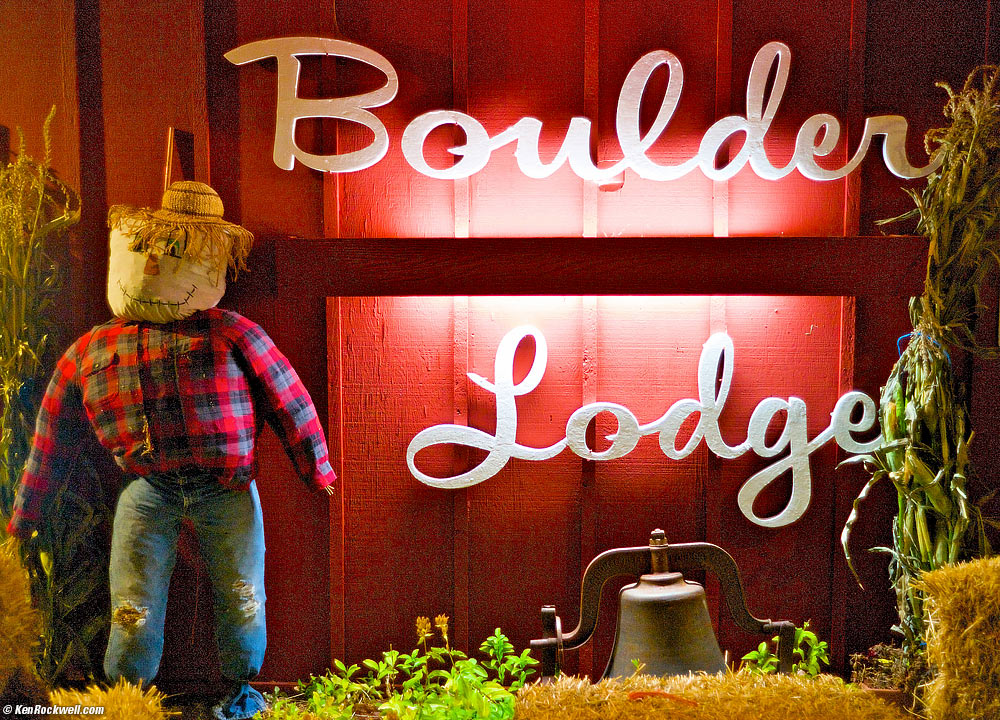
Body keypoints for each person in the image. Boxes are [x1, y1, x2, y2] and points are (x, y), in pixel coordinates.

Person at [6, 181, 335, 720]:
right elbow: (52, 436)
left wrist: (315, 467)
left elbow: (288, 399)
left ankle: (238, 690)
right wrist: (28, 513)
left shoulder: (232, 333)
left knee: (242, 593)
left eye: (173, 254)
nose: (155, 267)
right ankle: (127, 698)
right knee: (132, 602)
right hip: (148, 490)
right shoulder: (91, 349)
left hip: (226, 488)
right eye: (142, 253)